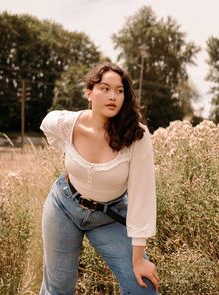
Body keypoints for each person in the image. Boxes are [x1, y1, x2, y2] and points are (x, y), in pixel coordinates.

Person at [39, 62, 159, 295]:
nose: (113, 96)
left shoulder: (137, 135)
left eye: (119, 90)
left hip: (109, 215)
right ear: (89, 93)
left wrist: (138, 258)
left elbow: (142, 198)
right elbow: (47, 124)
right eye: (105, 88)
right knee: (58, 288)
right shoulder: (69, 123)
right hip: (63, 205)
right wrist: (69, 154)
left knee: (144, 288)